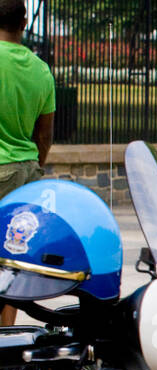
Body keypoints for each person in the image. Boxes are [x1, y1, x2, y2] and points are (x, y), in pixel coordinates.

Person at [0, 0, 55, 328]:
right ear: (24, 23)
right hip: (26, 175)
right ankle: (6, 340)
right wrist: (36, 167)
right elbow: (44, 136)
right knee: (10, 264)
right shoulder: (41, 69)